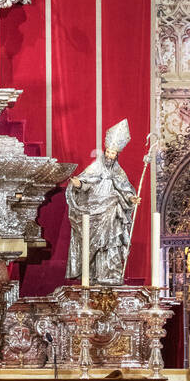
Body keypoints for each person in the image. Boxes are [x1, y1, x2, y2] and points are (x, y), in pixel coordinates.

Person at [65, 120, 138, 282]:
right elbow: (86, 182)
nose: (110, 156)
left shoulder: (118, 171)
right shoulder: (96, 167)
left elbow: (124, 188)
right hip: (94, 209)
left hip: (111, 209)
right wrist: (79, 184)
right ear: (105, 151)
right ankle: (91, 272)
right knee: (93, 242)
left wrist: (131, 198)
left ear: (117, 155)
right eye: (109, 152)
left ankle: (110, 273)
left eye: (113, 153)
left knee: (111, 241)